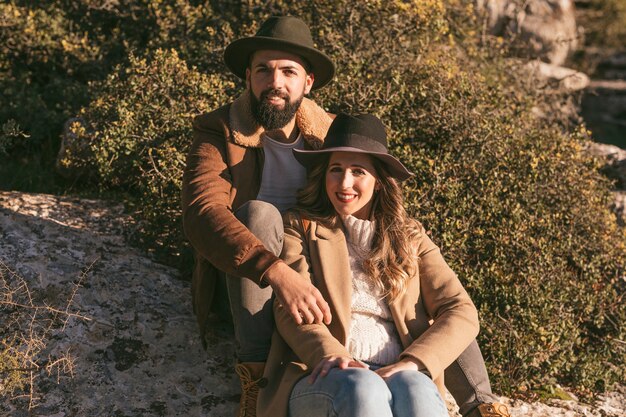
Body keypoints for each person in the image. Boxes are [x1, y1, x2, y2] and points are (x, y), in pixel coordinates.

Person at [182, 16, 510, 417]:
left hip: (326, 259)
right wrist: (280, 275)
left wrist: (414, 361)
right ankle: (255, 378)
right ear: (248, 77)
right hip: (253, 273)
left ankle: (483, 406)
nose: (275, 82)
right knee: (258, 213)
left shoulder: (331, 138)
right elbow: (204, 212)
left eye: (288, 71)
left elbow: (455, 305)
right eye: (264, 70)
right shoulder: (220, 132)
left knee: (429, 292)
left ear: (308, 82)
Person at [257, 113, 504, 417]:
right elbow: (289, 307)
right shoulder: (301, 227)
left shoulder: (411, 238)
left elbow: (461, 309)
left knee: (416, 387)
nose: (344, 182)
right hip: (324, 374)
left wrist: (412, 362)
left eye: (358, 171)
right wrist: (333, 355)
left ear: (379, 181)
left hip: (398, 370)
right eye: (336, 169)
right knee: (364, 387)